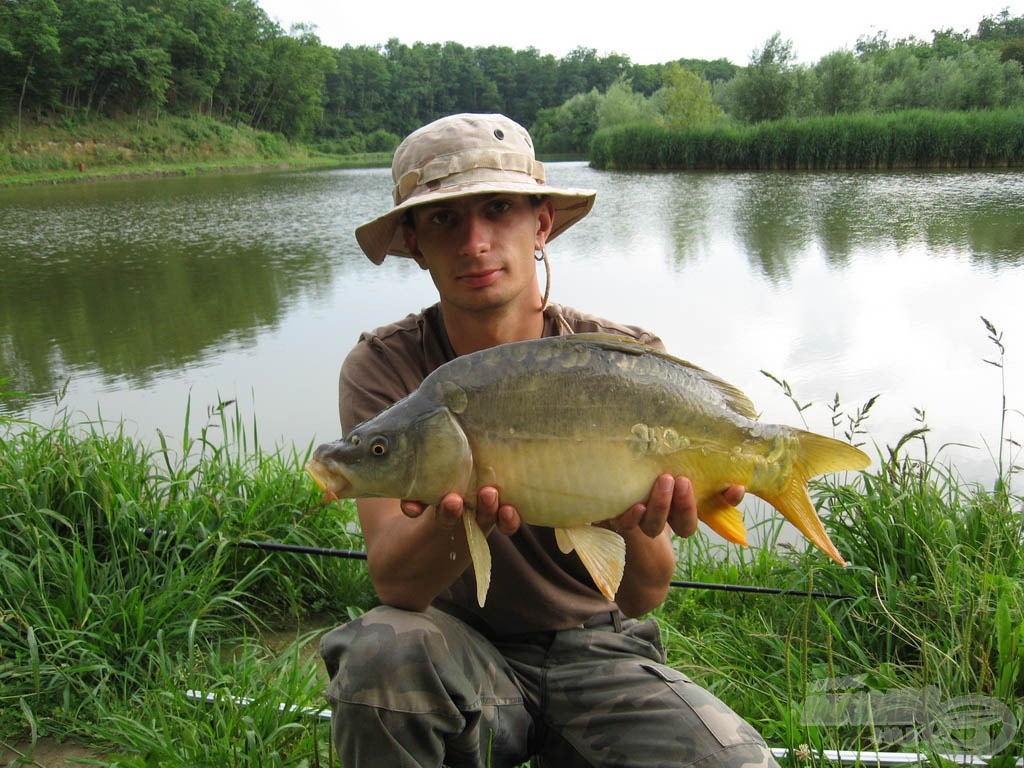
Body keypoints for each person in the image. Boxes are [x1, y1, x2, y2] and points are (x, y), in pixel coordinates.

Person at [320, 113, 780, 768]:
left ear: (540, 224)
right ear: (415, 241)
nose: (474, 242)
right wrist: (461, 513)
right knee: (379, 657)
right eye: (445, 219)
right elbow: (396, 584)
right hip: (459, 652)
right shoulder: (385, 371)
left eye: (498, 209)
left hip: (600, 651)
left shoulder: (625, 362)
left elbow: (643, 594)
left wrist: (632, 523)